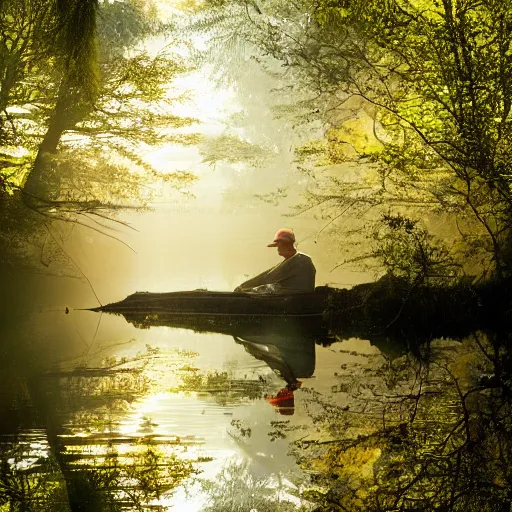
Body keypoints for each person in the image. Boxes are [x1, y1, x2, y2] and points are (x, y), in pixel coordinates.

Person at [234, 228, 316, 293]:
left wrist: (242, 288)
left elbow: (266, 278)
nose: (278, 249)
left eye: (278, 245)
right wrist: (243, 286)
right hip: (296, 298)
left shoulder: (298, 260)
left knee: (265, 289)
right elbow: (267, 275)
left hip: (290, 300)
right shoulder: (299, 259)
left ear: (284, 244)